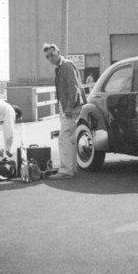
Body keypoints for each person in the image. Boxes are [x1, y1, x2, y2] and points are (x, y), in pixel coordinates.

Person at [42, 43, 85, 180]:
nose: (50, 58)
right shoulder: (60, 68)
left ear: (59, 53)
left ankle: (66, 170)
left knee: (64, 136)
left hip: (70, 106)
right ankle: (71, 168)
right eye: (47, 56)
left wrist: (69, 107)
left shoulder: (66, 66)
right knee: (70, 138)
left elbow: (73, 88)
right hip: (67, 106)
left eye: (52, 55)